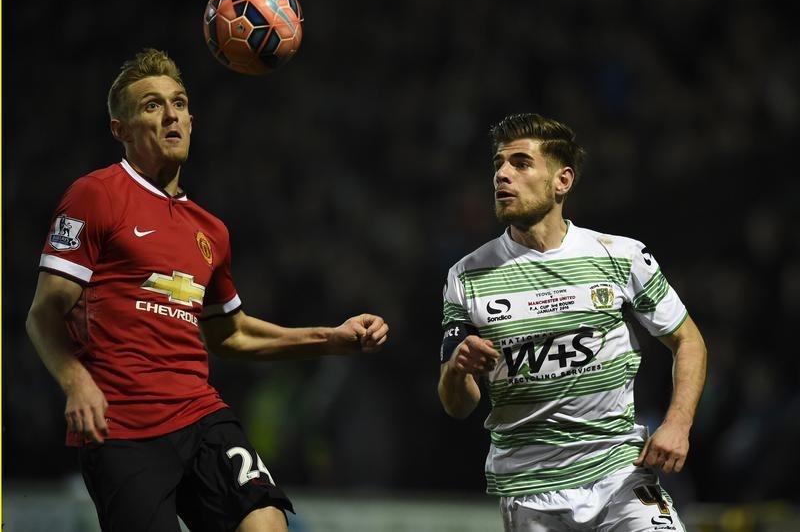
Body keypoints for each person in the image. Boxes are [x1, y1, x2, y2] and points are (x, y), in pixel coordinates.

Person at [26, 48, 389, 532]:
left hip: (200, 414)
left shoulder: (210, 230)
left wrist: (333, 338)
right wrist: (77, 382)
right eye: (152, 105)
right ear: (121, 130)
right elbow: (44, 314)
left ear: (193, 119)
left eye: (179, 102)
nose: (171, 114)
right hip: (123, 427)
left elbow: (230, 334)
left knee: (266, 523)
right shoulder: (96, 195)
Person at [437, 113, 707, 532]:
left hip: (619, 475)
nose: (502, 175)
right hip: (529, 489)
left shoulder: (621, 256)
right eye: (498, 165)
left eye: (521, 163)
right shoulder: (467, 276)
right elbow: (458, 405)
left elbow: (689, 341)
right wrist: (458, 369)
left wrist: (677, 424)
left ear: (562, 181)